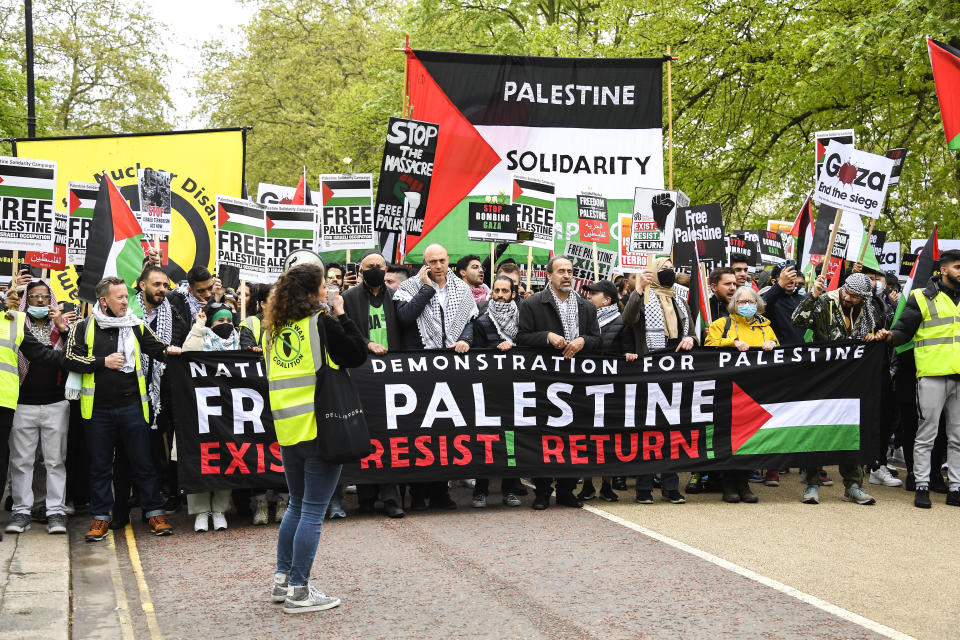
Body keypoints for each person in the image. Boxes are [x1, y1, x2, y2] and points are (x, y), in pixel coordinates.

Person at [264, 263, 367, 614]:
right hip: (322, 427)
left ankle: (282, 580)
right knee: (311, 511)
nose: (328, 290)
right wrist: (340, 314)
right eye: (324, 286)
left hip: (289, 429)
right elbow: (357, 353)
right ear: (312, 293)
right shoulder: (319, 323)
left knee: (296, 504)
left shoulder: (273, 330)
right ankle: (299, 590)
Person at [65, 277, 181, 541]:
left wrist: (174, 351)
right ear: (103, 301)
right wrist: (101, 361)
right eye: (119, 298)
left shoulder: (136, 325)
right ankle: (100, 518)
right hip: (97, 411)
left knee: (143, 463)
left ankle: (154, 512)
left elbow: (159, 348)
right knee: (100, 467)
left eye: (126, 297)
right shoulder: (82, 327)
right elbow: (69, 357)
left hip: (132, 407)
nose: (125, 302)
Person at [791, 272, 889, 506]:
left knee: (852, 430)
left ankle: (853, 485)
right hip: (823, 376)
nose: (850, 299)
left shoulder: (869, 310)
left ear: (864, 298)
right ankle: (812, 484)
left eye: (856, 297)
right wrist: (813, 295)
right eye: (848, 293)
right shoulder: (825, 302)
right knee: (819, 428)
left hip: (853, 378)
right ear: (843, 288)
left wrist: (872, 337)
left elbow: (873, 333)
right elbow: (797, 320)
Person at [395, 244, 477, 509]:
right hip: (419, 366)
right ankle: (418, 494)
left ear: (448, 260)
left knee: (447, 431)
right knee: (419, 430)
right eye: (433, 261)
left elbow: (469, 321)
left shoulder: (461, 288)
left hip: (450, 367)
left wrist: (465, 339)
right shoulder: (408, 287)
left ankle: (441, 492)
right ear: (425, 263)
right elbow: (405, 318)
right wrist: (426, 288)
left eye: (442, 260)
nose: (438, 266)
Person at [516, 255, 601, 509]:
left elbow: (598, 340)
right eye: (561, 271)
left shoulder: (586, 306)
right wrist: (547, 336)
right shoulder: (533, 304)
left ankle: (567, 490)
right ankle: (542, 492)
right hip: (544, 380)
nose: (566, 275)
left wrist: (583, 341)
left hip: (576, 380)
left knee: (574, 435)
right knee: (544, 436)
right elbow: (521, 337)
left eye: (570, 271)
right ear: (549, 276)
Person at [622, 257, 697, 504]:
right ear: (652, 273)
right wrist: (639, 289)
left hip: (676, 371)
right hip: (649, 371)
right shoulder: (642, 297)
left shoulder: (680, 300)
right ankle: (644, 487)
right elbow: (629, 318)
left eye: (670, 269)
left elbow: (693, 332)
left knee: (673, 430)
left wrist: (691, 340)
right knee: (648, 431)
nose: (668, 272)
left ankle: (670, 486)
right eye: (662, 269)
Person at [891, 249, 960, 509]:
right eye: (957, 267)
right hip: (932, 375)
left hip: (959, 378)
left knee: (957, 437)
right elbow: (902, 332)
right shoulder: (921, 297)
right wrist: (886, 336)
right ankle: (922, 484)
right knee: (926, 434)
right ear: (943, 270)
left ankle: (956, 487)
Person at [4, 281, 73, 535]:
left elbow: (73, 357)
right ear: (26, 301)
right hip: (22, 402)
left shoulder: (62, 328)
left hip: (56, 402)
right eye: (34, 297)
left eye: (45, 297)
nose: (41, 302)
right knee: (22, 461)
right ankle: (21, 511)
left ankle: (55, 512)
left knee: (55, 461)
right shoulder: (16, 324)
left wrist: (63, 330)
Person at [341, 250, 404, 519]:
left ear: (386, 268)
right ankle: (366, 497)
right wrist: (367, 344)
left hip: (392, 374)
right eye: (369, 266)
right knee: (366, 434)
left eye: (379, 266)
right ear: (361, 269)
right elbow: (345, 332)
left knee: (391, 437)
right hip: (361, 373)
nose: (374, 269)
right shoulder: (348, 298)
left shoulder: (397, 297)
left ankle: (392, 498)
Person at [705, 286, 779, 503]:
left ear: (758, 304)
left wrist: (773, 344)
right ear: (733, 305)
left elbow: (780, 351)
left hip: (756, 391)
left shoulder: (766, 328)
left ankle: (744, 483)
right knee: (729, 438)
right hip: (729, 391)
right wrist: (732, 343)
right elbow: (709, 347)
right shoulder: (721, 325)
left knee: (750, 438)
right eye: (741, 302)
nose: (746, 306)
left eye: (751, 301)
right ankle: (728, 483)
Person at [182, 303, 240, 531]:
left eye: (228, 321)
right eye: (219, 321)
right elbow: (187, 354)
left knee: (227, 457)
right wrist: (199, 326)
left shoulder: (239, 342)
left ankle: (219, 510)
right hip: (201, 412)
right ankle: (200, 512)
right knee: (201, 458)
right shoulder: (200, 336)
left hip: (229, 412)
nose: (225, 325)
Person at [471, 275, 523, 508]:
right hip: (488, 389)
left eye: (505, 291)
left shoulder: (522, 321)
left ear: (513, 294)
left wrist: (514, 346)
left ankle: (509, 489)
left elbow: (530, 347)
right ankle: (480, 491)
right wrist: (496, 350)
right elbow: (477, 355)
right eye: (497, 290)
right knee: (486, 440)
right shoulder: (482, 322)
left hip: (515, 390)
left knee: (512, 441)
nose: (500, 295)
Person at [578, 279, 631, 502]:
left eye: (594, 294)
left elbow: (628, 351)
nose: (589, 297)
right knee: (587, 437)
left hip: (611, 390)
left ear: (607, 300)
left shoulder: (621, 323)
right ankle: (588, 484)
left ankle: (607, 485)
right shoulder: (584, 321)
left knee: (609, 439)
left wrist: (629, 355)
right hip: (587, 388)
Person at [761, 261, 807, 346]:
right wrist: (780, 285)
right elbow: (760, 308)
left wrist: (815, 295)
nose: (789, 279)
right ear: (774, 282)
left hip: (800, 353)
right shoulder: (770, 298)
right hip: (779, 354)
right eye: (785, 277)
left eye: (793, 275)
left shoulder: (803, 299)